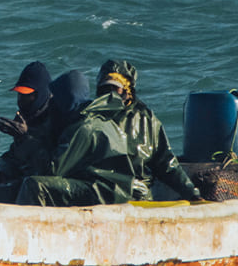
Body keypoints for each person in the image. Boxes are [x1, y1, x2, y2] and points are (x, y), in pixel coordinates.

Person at [17, 59, 203, 208]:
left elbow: (167, 163)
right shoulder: (92, 117)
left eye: (116, 88)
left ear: (128, 90)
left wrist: (193, 194)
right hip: (101, 189)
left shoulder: (146, 120)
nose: (110, 94)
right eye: (105, 89)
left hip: (131, 193)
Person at [0, 62, 58, 204]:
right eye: (19, 95)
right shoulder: (29, 118)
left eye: (27, 96)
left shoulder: (56, 120)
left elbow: (51, 166)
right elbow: (14, 159)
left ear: (40, 94)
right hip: (24, 179)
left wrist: (24, 137)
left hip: (43, 187)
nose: (21, 101)